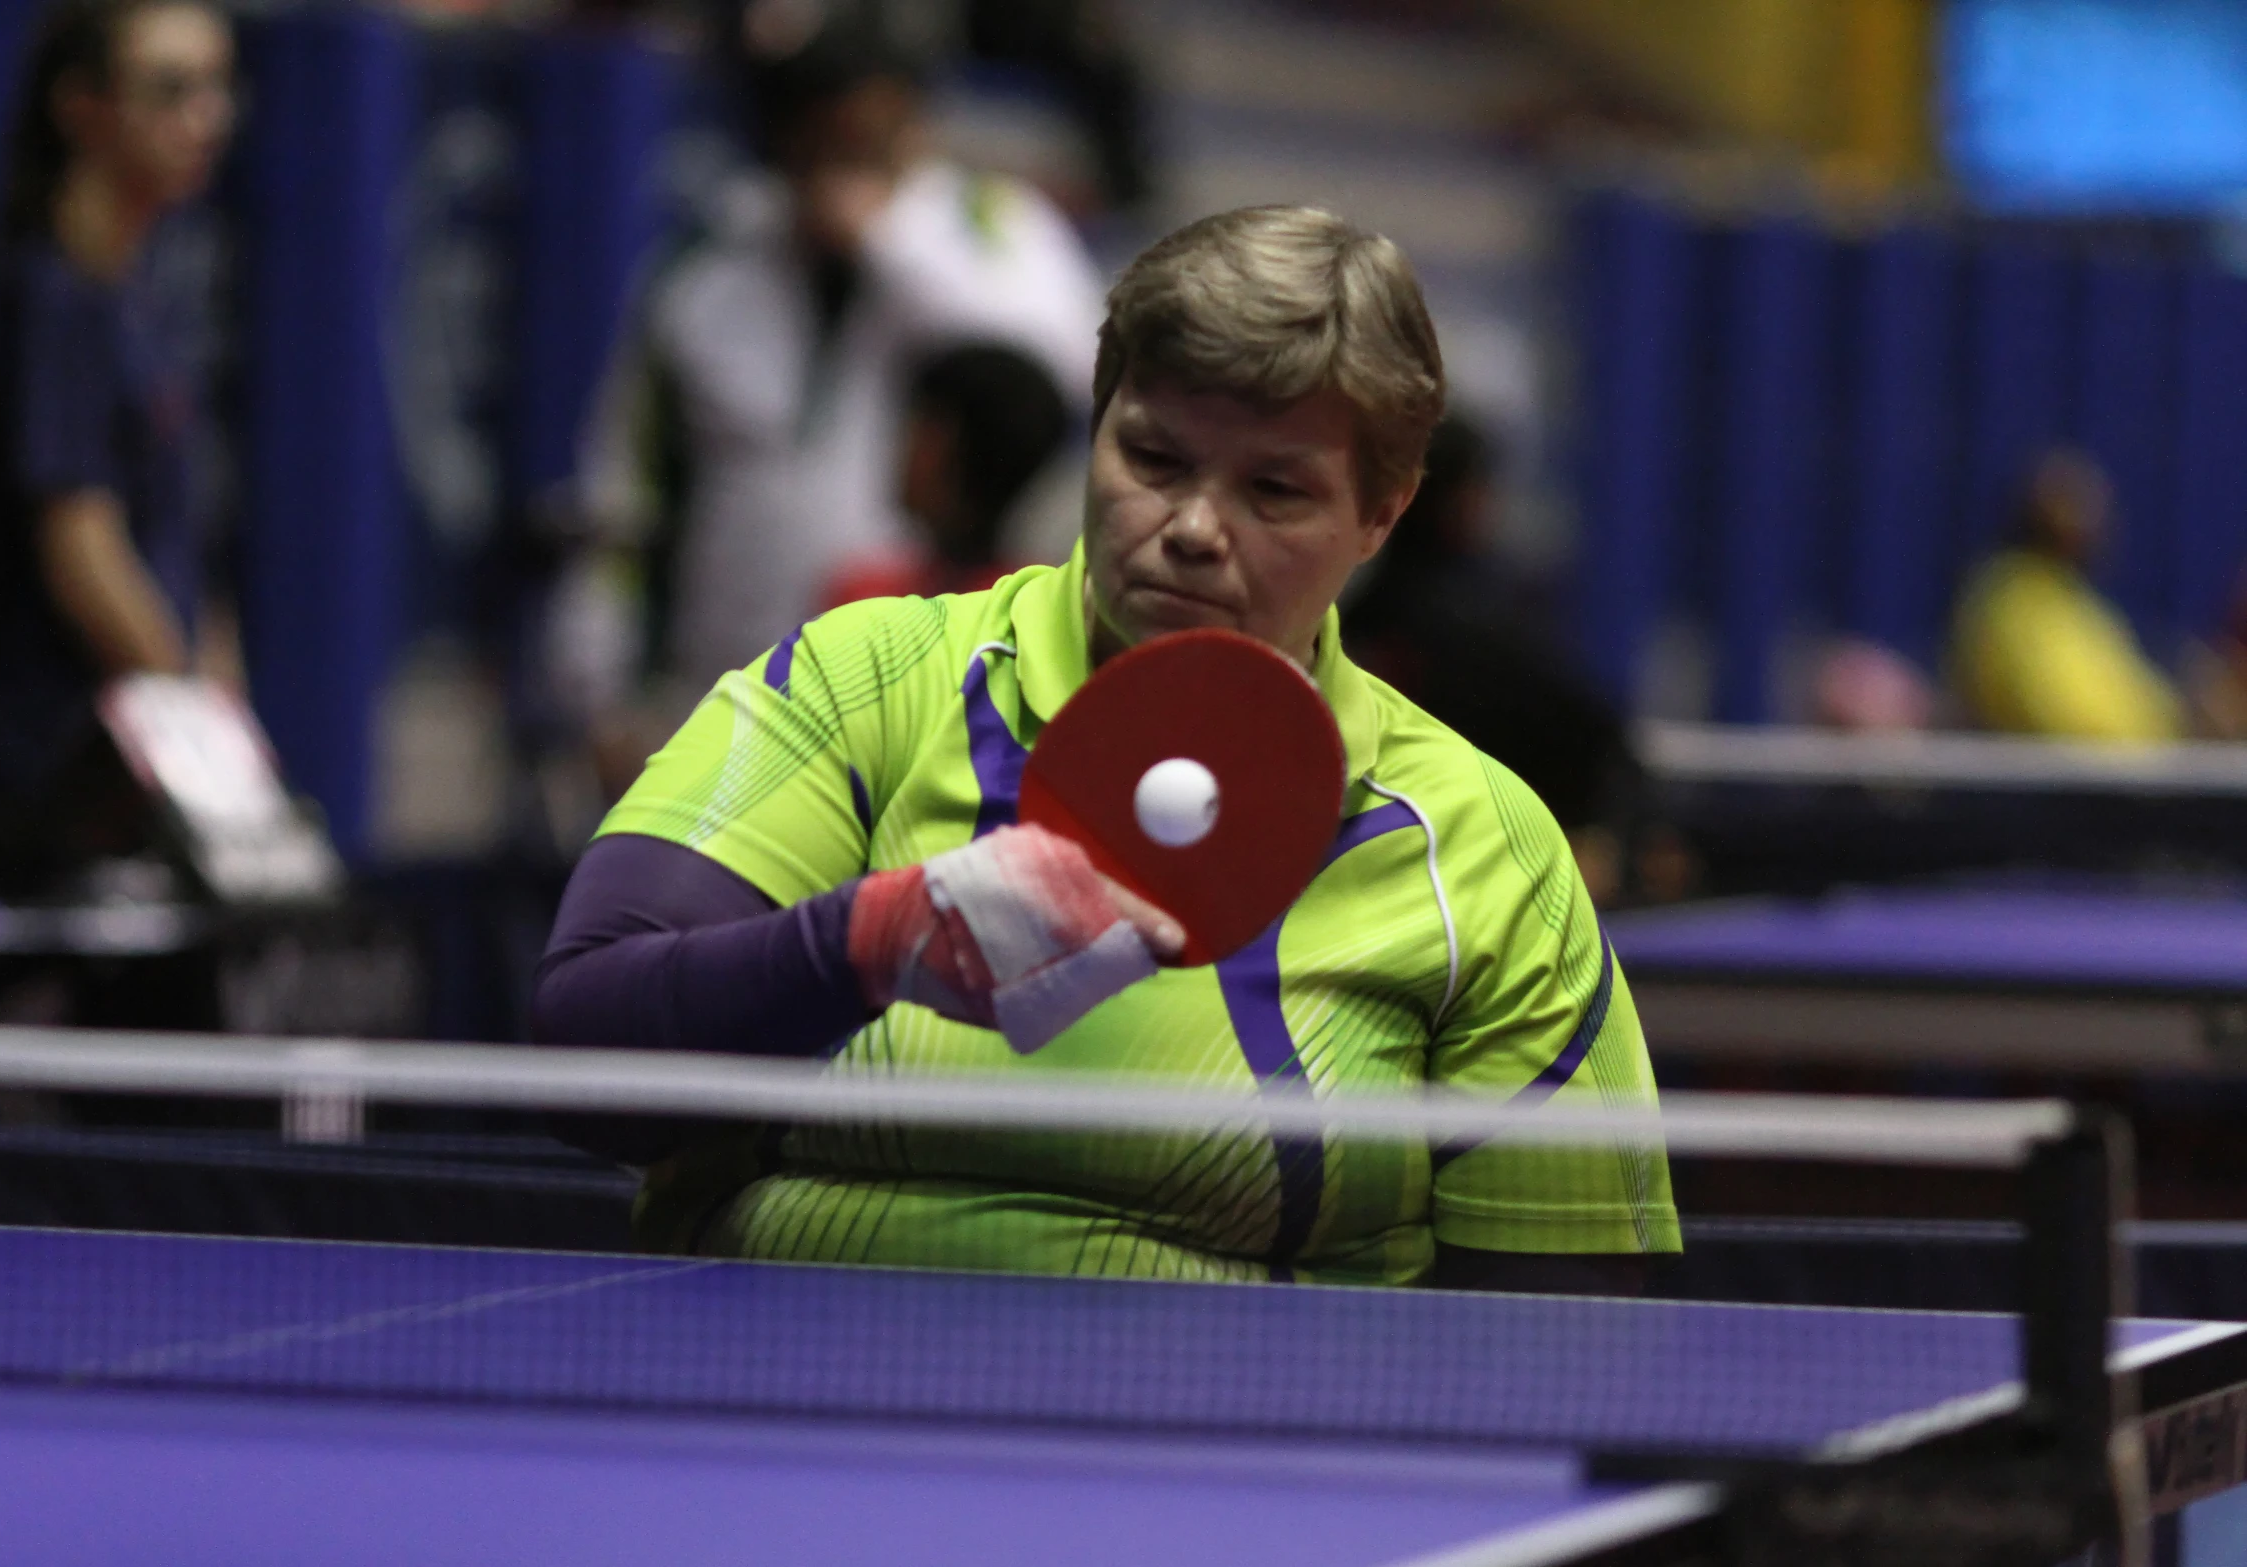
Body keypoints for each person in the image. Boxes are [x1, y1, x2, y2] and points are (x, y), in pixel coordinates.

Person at [535, 206, 1679, 1293]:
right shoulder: (861, 681)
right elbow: (589, 1055)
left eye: (1274, 490)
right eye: (1154, 459)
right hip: (770, 1404)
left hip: (1236, 1463)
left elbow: (1558, 1339)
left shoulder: (1484, 854)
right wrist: (866, 941)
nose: (1189, 528)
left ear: (1380, 512)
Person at [573, 3, 1102, 724]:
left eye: (868, 140)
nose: (837, 166)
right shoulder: (712, 262)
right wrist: (598, 685)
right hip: (721, 687)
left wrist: (886, 245)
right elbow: (627, 483)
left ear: (914, 124)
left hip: (921, 694)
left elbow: (1057, 375)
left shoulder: (989, 225)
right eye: (816, 140)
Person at [0, 0, 236, 811]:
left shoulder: (131, 300)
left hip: (128, 762)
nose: (209, 118)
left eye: (216, 86)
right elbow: (82, 550)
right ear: (83, 109)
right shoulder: (48, 301)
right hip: (47, 779)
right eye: (172, 91)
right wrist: (198, 735)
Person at [1342, 412, 1640, 904]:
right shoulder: (1481, 622)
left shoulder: (1362, 613)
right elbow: (1603, 742)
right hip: (1469, 872)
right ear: (1460, 500)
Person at [1949, 450, 2184, 744]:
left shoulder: (2073, 599)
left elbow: (2138, 697)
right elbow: (2067, 716)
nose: (2096, 521)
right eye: (2075, 504)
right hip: (2066, 784)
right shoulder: (2013, 601)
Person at [819, 341, 1071, 608]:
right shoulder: (1042, 606)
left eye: (923, 429)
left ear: (963, 456)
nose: (903, 447)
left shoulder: (865, 601)